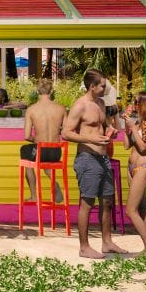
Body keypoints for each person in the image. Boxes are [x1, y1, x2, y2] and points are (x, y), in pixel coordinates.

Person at [62, 70, 126, 259]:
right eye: (102, 86)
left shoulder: (101, 103)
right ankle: (84, 247)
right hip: (87, 159)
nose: (105, 89)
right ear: (92, 86)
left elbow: (103, 126)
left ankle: (107, 242)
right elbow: (66, 133)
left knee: (107, 201)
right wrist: (90, 139)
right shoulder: (80, 106)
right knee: (87, 204)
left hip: (103, 159)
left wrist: (110, 130)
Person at [122, 91, 146, 256]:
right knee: (143, 210)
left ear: (145, 104)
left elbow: (143, 148)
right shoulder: (137, 122)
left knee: (130, 211)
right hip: (132, 169)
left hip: (142, 169)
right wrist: (127, 129)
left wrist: (133, 128)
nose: (134, 105)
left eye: (137, 102)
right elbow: (126, 146)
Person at [22, 78, 67, 202]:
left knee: (25, 151)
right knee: (44, 157)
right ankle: (53, 182)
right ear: (52, 91)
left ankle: (34, 196)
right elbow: (66, 133)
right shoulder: (61, 109)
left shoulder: (31, 110)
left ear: (37, 91)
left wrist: (36, 139)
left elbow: (27, 136)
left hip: (40, 151)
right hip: (56, 153)